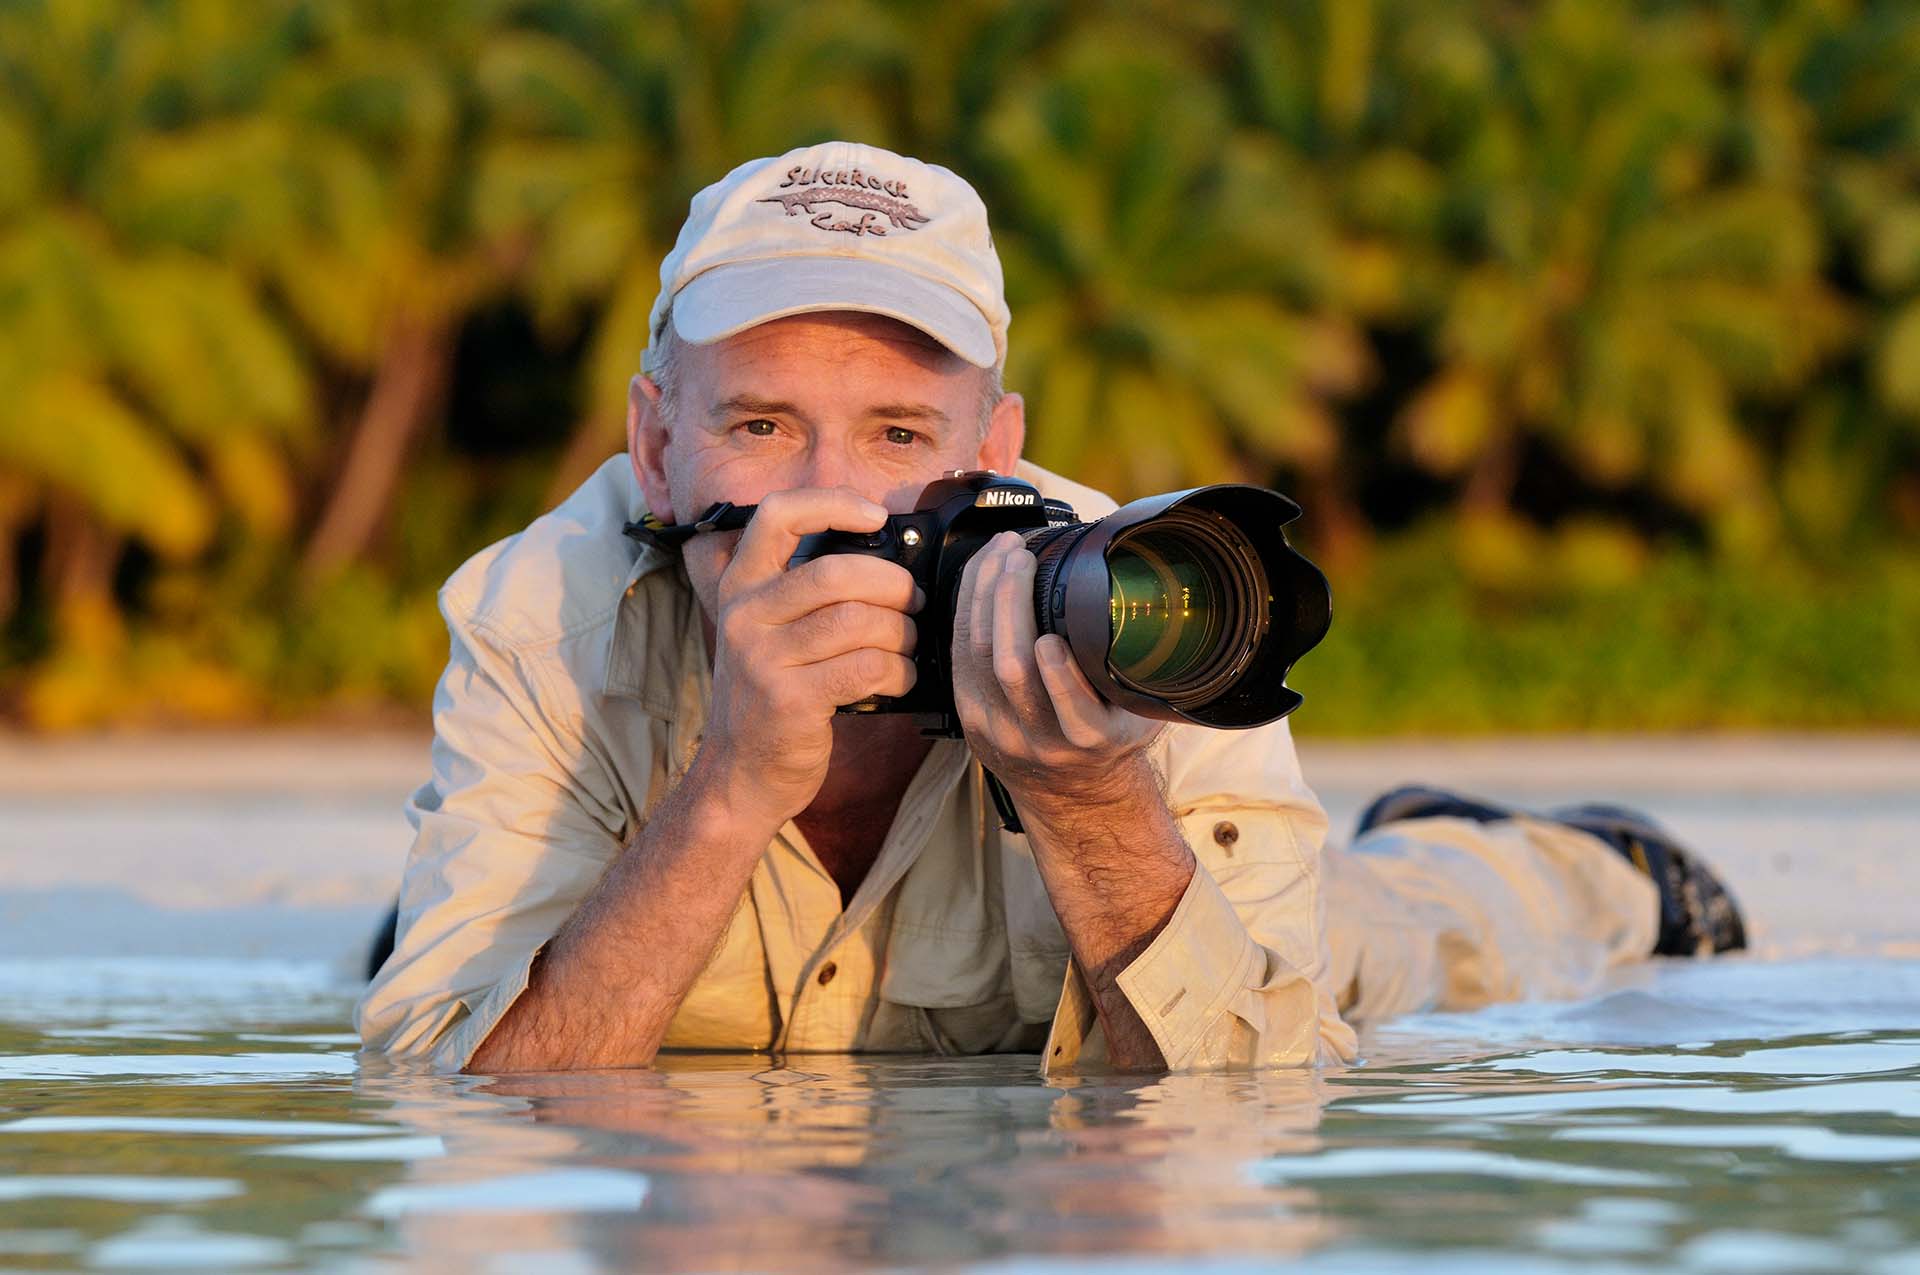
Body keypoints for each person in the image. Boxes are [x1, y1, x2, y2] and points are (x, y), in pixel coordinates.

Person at [357, 141, 1744, 1076]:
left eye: (902, 434)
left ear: (999, 451)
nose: (837, 499)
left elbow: (1248, 1109)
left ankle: (1552, 854)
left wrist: (1091, 808)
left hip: (1304, 917)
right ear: (657, 449)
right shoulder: (541, 609)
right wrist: (729, 789)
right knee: (466, 962)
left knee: (1406, 942)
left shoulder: (1150, 597)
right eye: (765, 426)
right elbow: (452, 1101)